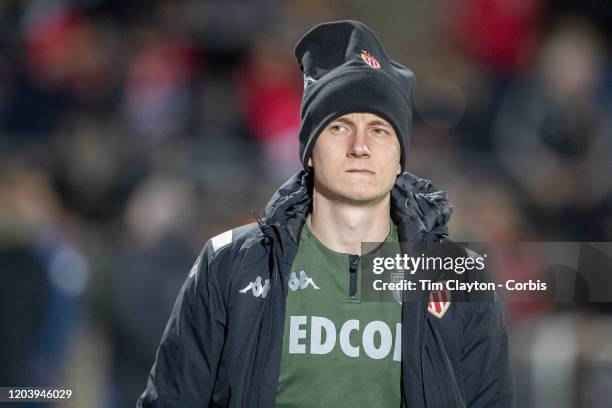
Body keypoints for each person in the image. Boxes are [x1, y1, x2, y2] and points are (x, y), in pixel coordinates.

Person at [137, 20, 513, 408]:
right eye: (339, 127)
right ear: (310, 150)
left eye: (380, 130)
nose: (360, 146)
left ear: (400, 156)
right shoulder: (230, 265)